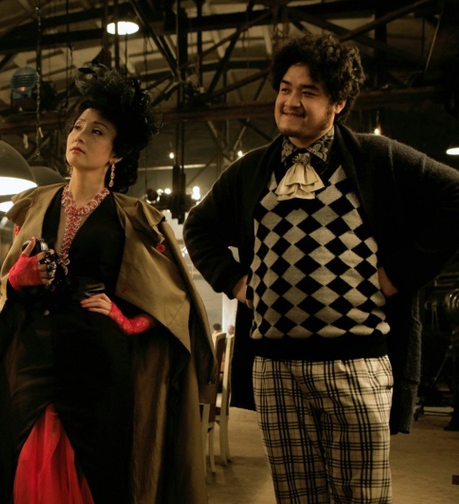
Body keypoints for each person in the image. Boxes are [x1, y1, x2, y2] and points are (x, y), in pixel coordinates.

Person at [183, 33, 459, 503]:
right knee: (296, 498)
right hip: (275, 371)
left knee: (362, 497)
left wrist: (398, 274)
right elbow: (198, 227)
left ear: (338, 102)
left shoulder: (376, 159)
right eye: (285, 88)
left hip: (355, 365)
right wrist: (236, 282)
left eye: (308, 92)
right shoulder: (252, 170)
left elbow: (454, 196)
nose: (290, 101)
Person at [0, 67, 216, 504]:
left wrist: (127, 321)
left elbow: (174, 300)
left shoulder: (132, 216)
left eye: (97, 131)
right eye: (78, 126)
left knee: (97, 473)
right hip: (34, 358)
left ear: (116, 152)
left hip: (98, 361)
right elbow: (6, 286)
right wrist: (17, 279)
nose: (81, 136)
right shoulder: (36, 204)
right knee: (29, 467)